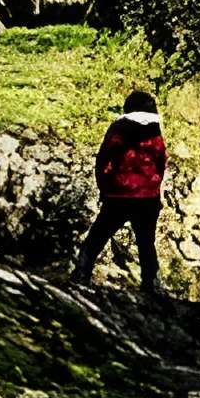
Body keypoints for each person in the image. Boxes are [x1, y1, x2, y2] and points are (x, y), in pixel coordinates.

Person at [74, 87, 168, 292]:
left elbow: (104, 159)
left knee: (97, 237)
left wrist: (104, 187)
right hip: (147, 197)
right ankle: (151, 286)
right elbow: (161, 163)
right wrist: (153, 188)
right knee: (146, 243)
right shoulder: (155, 130)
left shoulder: (119, 128)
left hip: (118, 194)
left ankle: (81, 275)